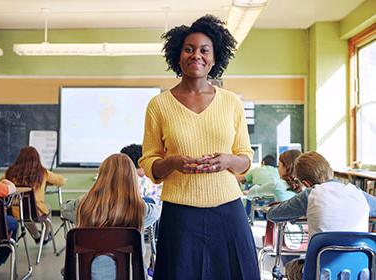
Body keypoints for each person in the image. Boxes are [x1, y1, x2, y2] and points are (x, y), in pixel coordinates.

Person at [138, 15, 260, 279]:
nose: (197, 55)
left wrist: (228, 161)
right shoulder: (159, 105)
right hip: (180, 213)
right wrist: (172, 163)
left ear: (215, 59)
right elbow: (149, 163)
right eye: (189, 49)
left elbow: (246, 159)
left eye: (205, 50)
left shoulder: (231, 102)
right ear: (178, 56)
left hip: (228, 209)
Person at [267, 151, 376, 280]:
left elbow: (273, 215)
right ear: (330, 170)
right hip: (361, 272)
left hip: (319, 271)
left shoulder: (310, 194)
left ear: (306, 183)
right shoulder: (358, 193)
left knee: (291, 266)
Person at [75, 153, 161, 280]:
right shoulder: (143, 210)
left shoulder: (82, 206)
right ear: (132, 178)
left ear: (101, 177)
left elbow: (65, 209)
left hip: (88, 276)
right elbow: (158, 211)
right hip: (131, 276)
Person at [4, 146, 66, 244]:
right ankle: (44, 238)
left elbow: (2, 184)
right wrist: (46, 182)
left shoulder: (10, 173)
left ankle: (37, 235)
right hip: (35, 211)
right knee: (47, 209)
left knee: (25, 213)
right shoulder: (42, 173)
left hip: (14, 211)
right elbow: (61, 181)